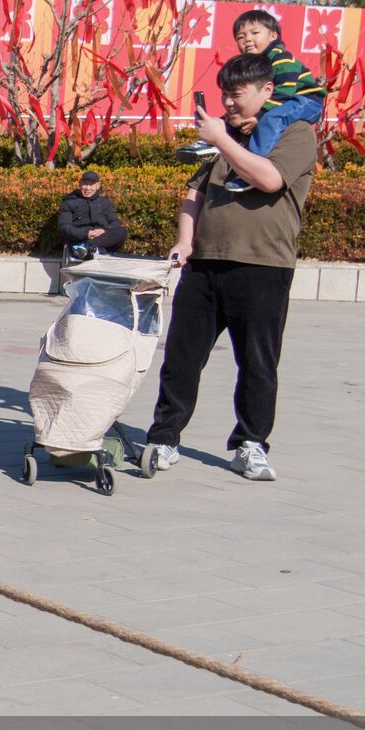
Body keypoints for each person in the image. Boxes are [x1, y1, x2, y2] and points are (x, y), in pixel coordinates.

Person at [145, 54, 317, 482]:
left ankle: (250, 444)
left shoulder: (295, 133)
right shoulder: (222, 137)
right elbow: (193, 196)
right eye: (225, 94)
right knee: (182, 358)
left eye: (238, 94)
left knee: (257, 363)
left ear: (266, 91)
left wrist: (223, 140)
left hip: (262, 266)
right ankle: (165, 438)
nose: (230, 102)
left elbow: (271, 179)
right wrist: (185, 241)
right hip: (204, 265)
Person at [177, 10, 324, 194]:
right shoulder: (259, 64)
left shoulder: (281, 58)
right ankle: (208, 143)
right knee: (231, 118)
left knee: (272, 119)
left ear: (273, 35)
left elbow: (285, 91)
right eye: (240, 36)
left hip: (306, 100)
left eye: (255, 33)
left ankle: (254, 164)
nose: (246, 39)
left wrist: (260, 116)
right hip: (289, 100)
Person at [57, 170, 126, 260]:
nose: (88, 188)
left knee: (121, 231)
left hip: (102, 239)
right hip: (80, 239)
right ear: (80, 184)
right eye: (85, 184)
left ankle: (90, 248)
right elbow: (64, 227)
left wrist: (103, 231)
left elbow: (115, 222)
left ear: (97, 186)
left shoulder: (104, 202)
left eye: (91, 184)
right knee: (77, 240)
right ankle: (90, 249)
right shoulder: (69, 202)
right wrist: (87, 233)